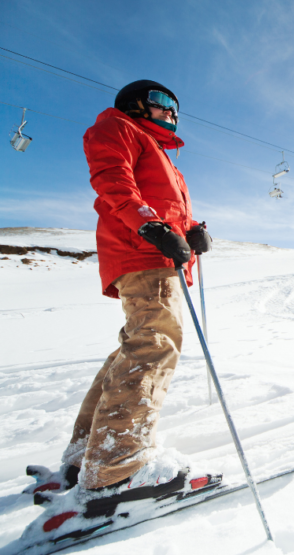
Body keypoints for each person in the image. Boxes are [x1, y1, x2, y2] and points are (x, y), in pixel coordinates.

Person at [24, 80, 218, 505]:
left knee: (135, 346)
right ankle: (117, 468)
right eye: (163, 101)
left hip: (152, 252)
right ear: (136, 103)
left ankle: (85, 456)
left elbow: (163, 205)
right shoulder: (118, 126)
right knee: (154, 346)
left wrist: (189, 229)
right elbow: (113, 181)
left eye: (176, 106)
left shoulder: (158, 151)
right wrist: (150, 226)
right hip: (142, 252)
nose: (172, 111)